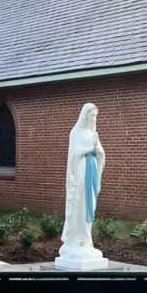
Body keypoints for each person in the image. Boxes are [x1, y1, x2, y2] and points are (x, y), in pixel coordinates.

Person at [56, 103, 108, 268]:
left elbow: (100, 153)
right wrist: (89, 148)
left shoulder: (94, 134)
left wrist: (97, 151)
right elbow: (74, 155)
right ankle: (74, 240)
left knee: (89, 206)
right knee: (79, 206)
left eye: (95, 116)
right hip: (79, 175)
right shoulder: (76, 133)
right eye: (92, 115)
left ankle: (86, 239)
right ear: (85, 116)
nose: (94, 119)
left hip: (91, 172)